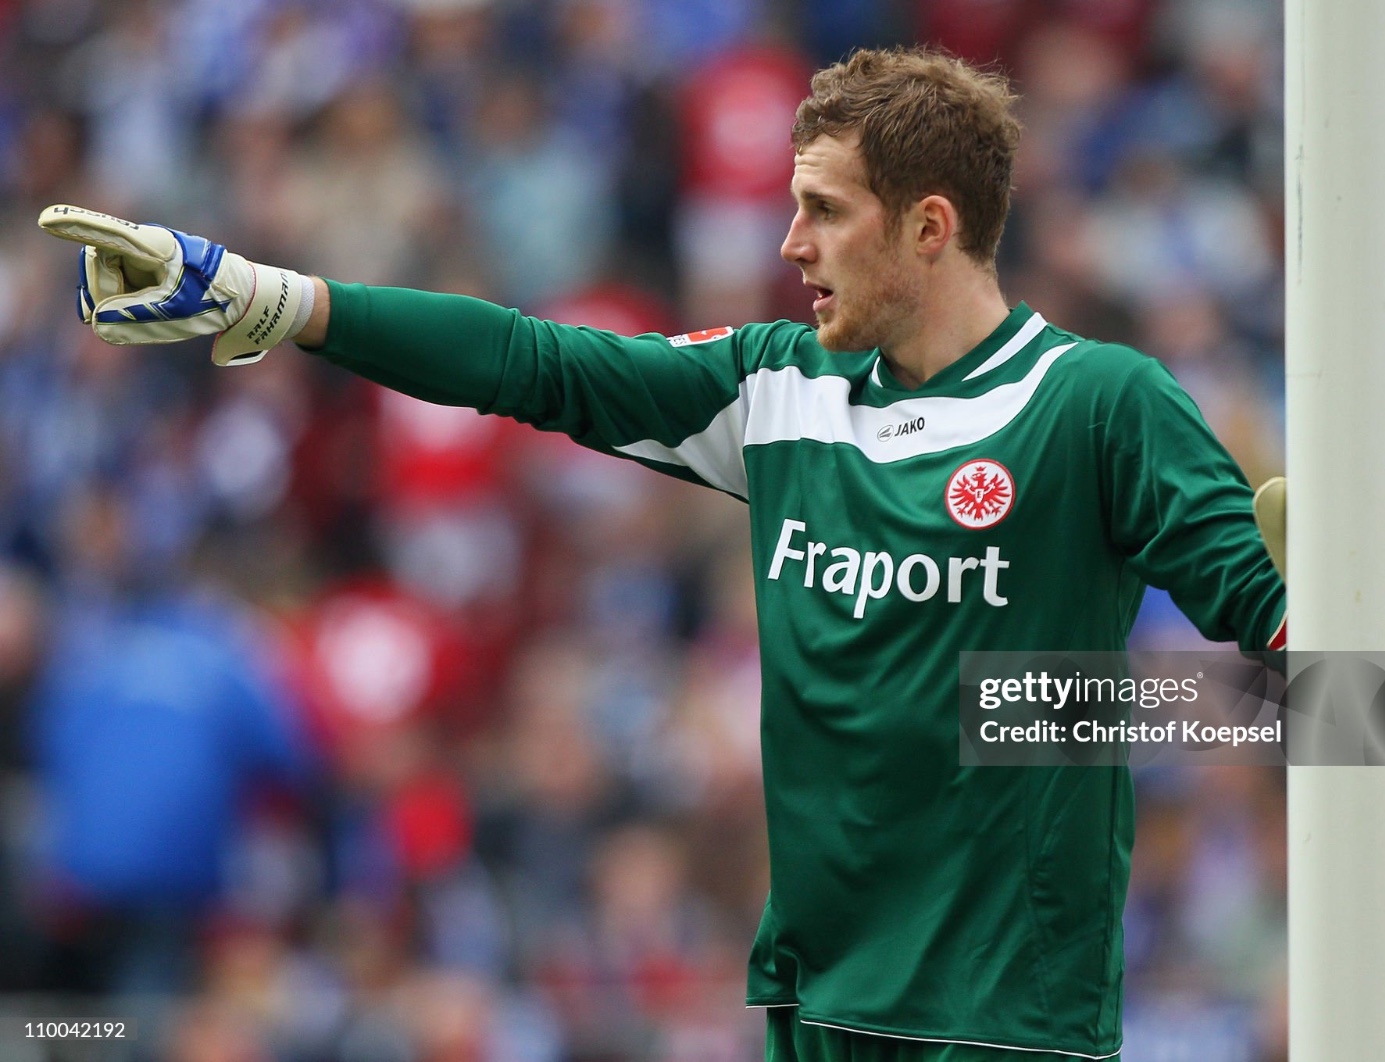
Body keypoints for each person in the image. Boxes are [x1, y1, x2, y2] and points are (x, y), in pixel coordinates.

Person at [43, 46, 1288, 1062]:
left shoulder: (1099, 405)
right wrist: (272, 299)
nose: (790, 242)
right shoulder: (776, 389)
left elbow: (1328, 703)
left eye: (824, 211)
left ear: (928, 226)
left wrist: (1032, 701)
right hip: (815, 1004)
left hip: (1005, 1021)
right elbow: (530, 364)